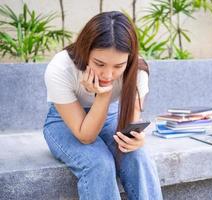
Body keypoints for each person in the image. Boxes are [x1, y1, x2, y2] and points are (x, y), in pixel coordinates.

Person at [43, 11, 163, 200]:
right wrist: (103, 95)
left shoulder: (137, 70)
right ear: (85, 50)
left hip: (111, 116)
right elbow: (86, 137)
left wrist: (137, 139)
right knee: (98, 163)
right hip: (63, 122)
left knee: (137, 156)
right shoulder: (61, 67)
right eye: (99, 64)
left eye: (118, 66)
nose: (108, 75)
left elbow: (131, 122)